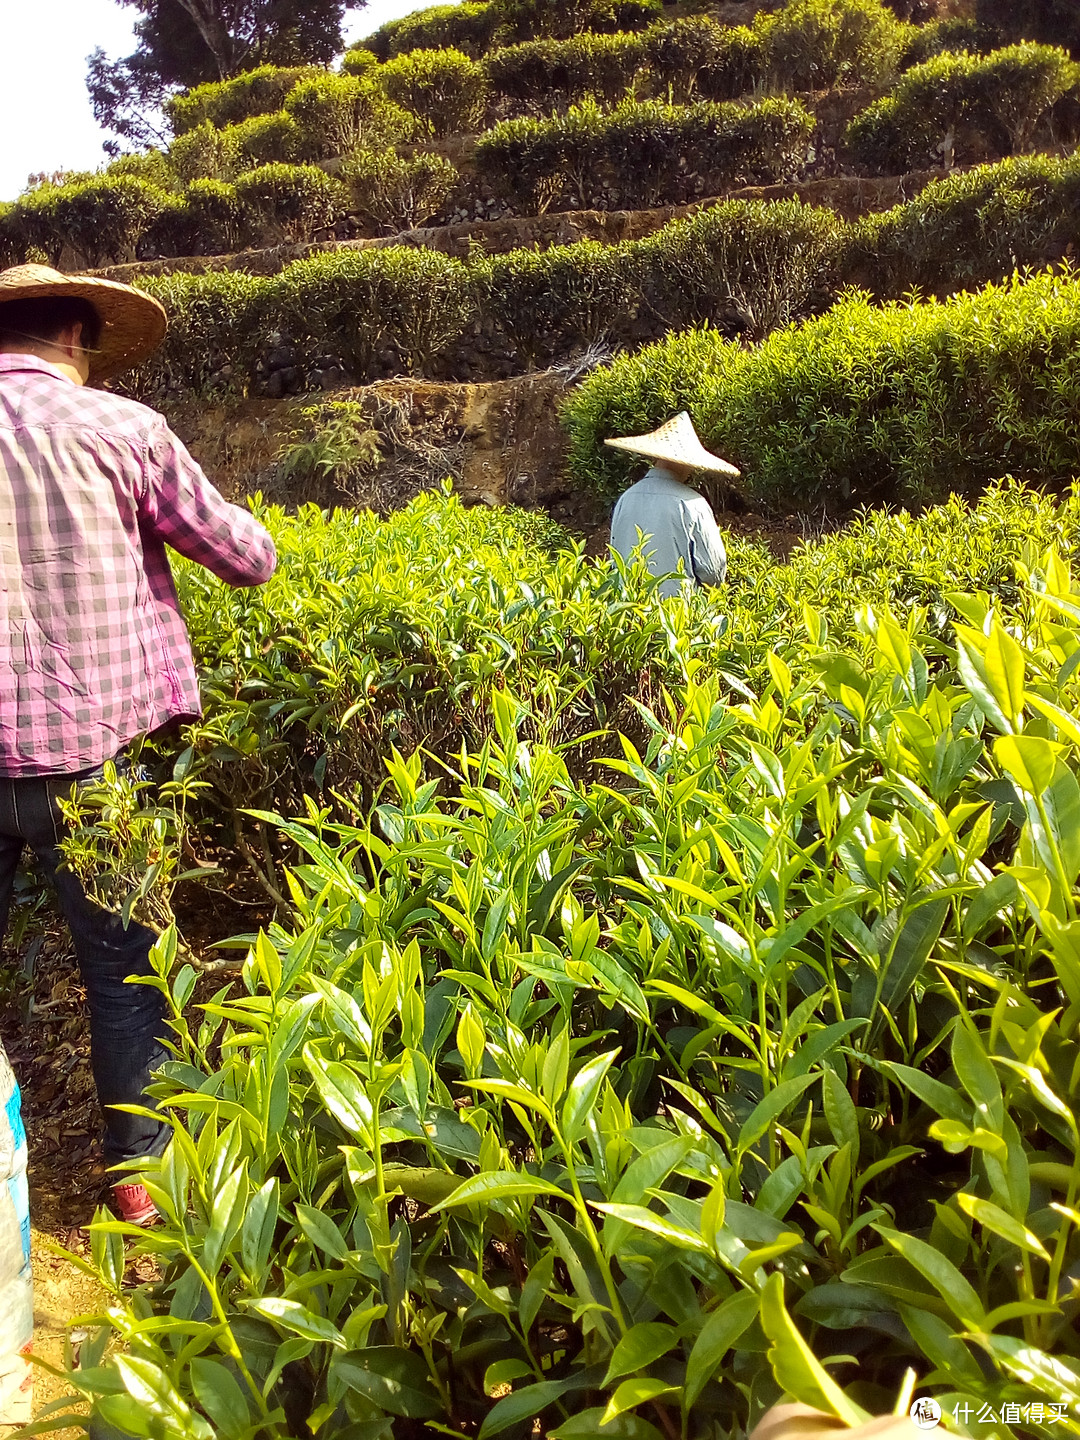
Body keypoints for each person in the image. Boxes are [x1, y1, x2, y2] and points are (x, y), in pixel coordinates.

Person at [0, 263, 277, 1227]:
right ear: (75, 339)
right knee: (123, 970)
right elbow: (245, 560)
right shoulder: (124, 430)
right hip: (91, 763)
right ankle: (134, 1181)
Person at [607, 411, 738, 598]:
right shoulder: (693, 504)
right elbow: (713, 572)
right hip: (676, 619)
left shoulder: (626, 499)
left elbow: (615, 560)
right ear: (686, 463)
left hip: (628, 615)